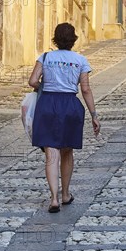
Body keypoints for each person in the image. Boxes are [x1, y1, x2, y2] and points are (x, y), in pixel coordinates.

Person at [29, 23, 100, 213]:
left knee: (51, 153)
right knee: (67, 151)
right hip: (70, 105)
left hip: (48, 105)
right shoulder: (80, 60)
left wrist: (44, 87)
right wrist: (94, 114)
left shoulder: (45, 57)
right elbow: (85, 89)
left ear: (55, 39)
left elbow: (32, 81)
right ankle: (66, 194)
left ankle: (53, 198)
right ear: (73, 39)